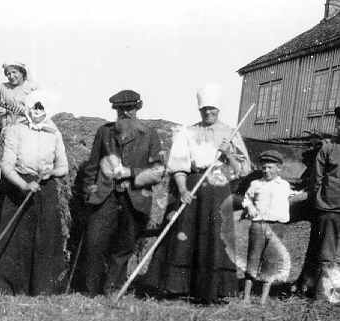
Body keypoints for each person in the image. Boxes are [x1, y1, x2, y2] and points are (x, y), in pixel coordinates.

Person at [141, 84, 251, 304]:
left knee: (214, 237)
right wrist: (182, 189)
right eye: (204, 110)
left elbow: (243, 170)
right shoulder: (188, 132)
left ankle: (211, 290)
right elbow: (179, 164)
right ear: (199, 110)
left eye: (212, 110)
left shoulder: (231, 133)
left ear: (219, 109)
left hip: (219, 188)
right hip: (192, 185)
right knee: (184, 235)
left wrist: (229, 153)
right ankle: (177, 287)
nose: (208, 113)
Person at [82, 89, 167, 296]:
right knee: (95, 242)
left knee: (124, 245)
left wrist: (131, 172)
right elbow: (92, 165)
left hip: (136, 198)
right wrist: (88, 192)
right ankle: (90, 289)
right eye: (121, 110)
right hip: (105, 196)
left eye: (129, 109)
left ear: (137, 109)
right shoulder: (105, 132)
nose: (125, 114)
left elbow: (158, 171)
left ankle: (112, 287)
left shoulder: (150, 135)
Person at [0, 90, 69, 295]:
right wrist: (24, 186)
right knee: (15, 236)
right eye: (34, 106)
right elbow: (7, 167)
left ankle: (43, 288)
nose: (37, 111)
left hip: (45, 187)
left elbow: (64, 167)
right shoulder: (15, 130)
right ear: (28, 107)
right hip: (18, 186)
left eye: (41, 108)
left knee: (44, 237)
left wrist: (49, 172)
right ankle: (9, 287)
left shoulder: (54, 133)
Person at [242, 150, 302, 305]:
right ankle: (246, 297)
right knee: (253, 258)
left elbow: (294, 196)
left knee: (271, 261)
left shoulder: (284, 185)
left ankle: (263, 299)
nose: (266, 170)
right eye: (264, 167)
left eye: (270, 167)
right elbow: (246, 199)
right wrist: (249, 207)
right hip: (259, 225)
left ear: (279, 168)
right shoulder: (256, 184)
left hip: (277, 227)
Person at [306, 106, 340, 302]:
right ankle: (322, 295)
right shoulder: (328, 148)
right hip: (330, 208)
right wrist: (320, 201)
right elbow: (316, 179)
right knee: (326, 253)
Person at [0, 61, 37, 129]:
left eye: (14, 72)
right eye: (8, 74)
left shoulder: (32, 87)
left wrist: (26, 110)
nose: (11, 76)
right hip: (9, 126)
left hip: (28, 126)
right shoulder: (2, 87)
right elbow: (1, 111)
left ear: (22, 72)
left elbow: (39, 112)